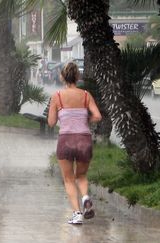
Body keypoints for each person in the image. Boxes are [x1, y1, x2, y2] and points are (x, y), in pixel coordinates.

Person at [48, 62, 102, 225]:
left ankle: (77, 213)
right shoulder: (86, 95)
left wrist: (63, 117)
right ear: (77, 77)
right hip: (83, 140)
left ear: (62, 77)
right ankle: (86, 198)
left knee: (69, 179)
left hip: (66, 141)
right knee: (81, 176)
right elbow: (98, 116)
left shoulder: (57, 96)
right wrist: (85, 120)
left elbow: (51, 122)